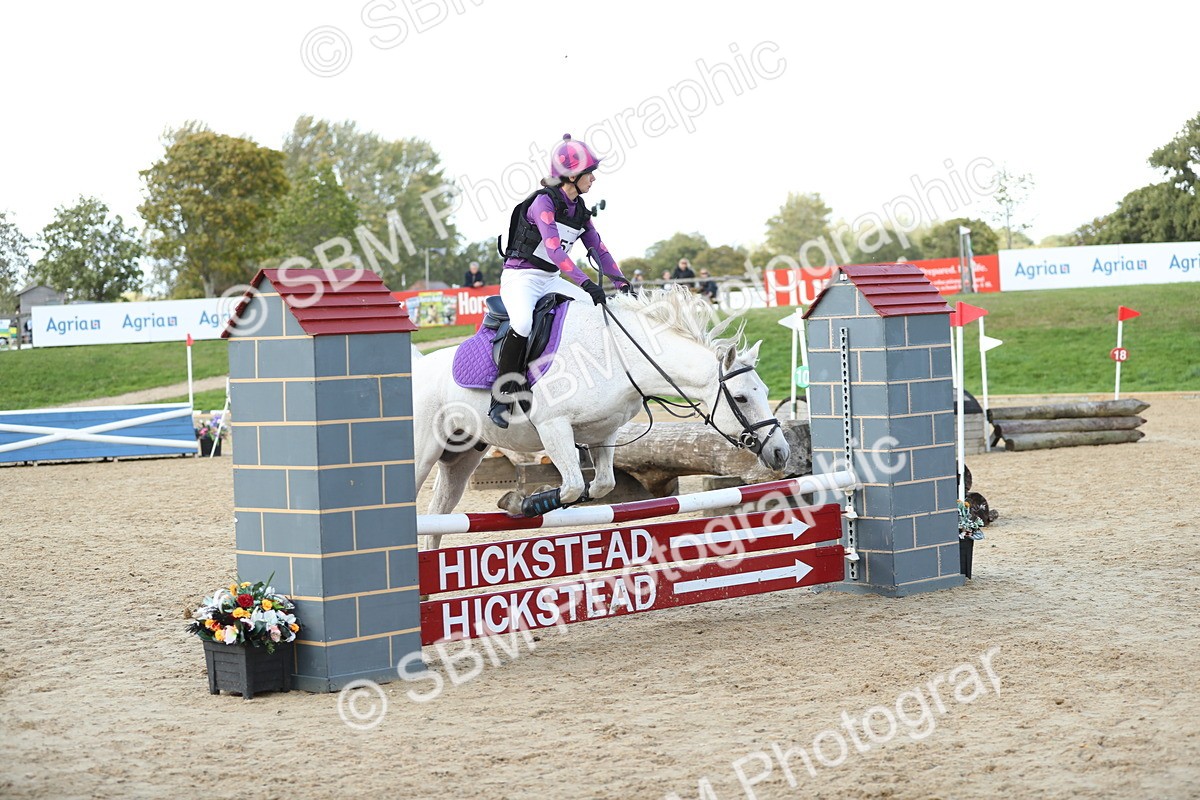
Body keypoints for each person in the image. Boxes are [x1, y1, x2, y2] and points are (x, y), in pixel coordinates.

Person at [492, 133, 630, 428]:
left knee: (596, 311)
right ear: (572, 174)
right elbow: (554, 250)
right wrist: (586, 283)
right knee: (523, 324)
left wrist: (621, 282)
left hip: (551, 279)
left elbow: (599, 249)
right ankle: (502, 395)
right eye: (590, 173)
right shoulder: (543, 203)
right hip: (522, 278)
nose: (593, 179)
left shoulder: (580, 210)